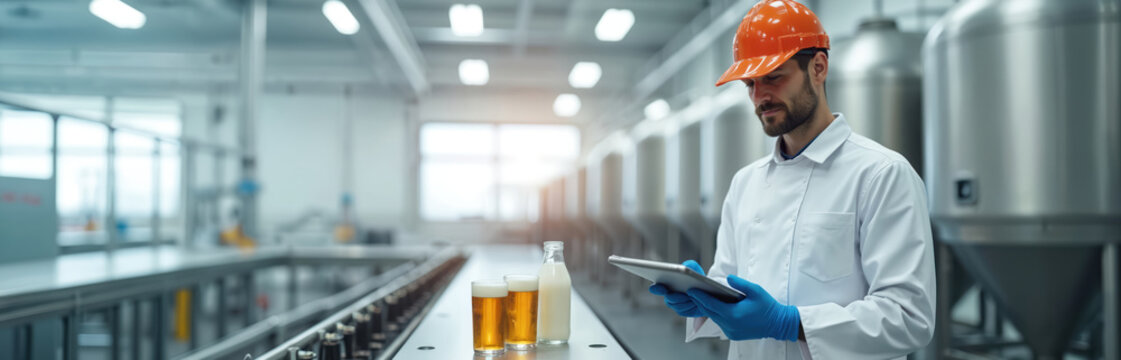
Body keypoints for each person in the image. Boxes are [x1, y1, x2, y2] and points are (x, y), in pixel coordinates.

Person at [647, 1, 936, 359]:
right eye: (750, 83)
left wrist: (790, 322)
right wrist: (704, 298)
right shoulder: (745, 184)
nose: (760, 97)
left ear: (818, 67)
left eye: (774, 76)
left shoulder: (881, 175)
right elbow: (734, 294)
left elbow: (910, 317)